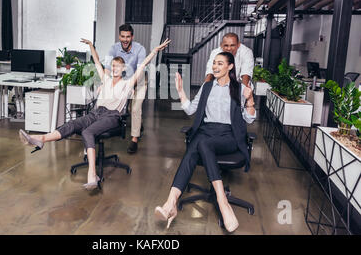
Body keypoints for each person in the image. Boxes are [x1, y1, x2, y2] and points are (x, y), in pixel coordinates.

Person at [19, 38, 171, 190]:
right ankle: (41, 139)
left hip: (113, 116)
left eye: (118, 66)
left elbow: (143, 64)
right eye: (113, 66)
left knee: (87, 132)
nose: (115, 68)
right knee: (72, 124)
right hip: (96, 113)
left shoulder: (127, 83)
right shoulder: (105, 78)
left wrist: (155, 50)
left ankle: (92, 174)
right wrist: (91, 46)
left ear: (123, 68)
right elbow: (97, 61)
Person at [155, 52, 256, 232]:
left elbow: (249, 120)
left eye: (220, 63)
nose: (215, 67)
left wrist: (249, 99)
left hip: (228, 136)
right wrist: (180, 92)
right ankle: (171, 203)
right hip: (206, 131)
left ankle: (219, 200)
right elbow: (190, 110)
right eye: (214, 63)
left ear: (230, 66)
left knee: (200, 143)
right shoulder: (207, 86)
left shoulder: (239, 88)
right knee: (197, 144)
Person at [105, 24, 147, 154]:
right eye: (122, 36)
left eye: (128, 37)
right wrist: (107, 83)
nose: (125, 39)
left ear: (132, 37)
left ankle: (134, 139)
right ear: (119, 36)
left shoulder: (140, 49)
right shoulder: (113, 48)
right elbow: (107, 68)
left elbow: (140, 71)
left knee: (135, 108)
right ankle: (138, 124)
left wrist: (130, 85)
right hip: (122, 81)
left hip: (138, 81)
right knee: (121, 106)